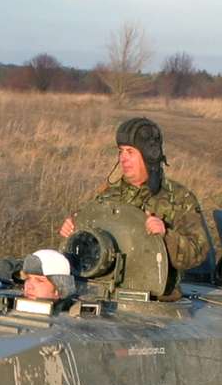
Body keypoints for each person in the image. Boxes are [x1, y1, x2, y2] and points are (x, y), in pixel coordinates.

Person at [59, 117, 209, 291]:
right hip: (104, 292)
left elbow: (197, 253)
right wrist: (72, 231)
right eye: (121, 152)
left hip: (155, 299)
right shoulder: (108, 196)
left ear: (149, 155)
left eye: (130, 152)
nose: (123, 158)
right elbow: (86, 249)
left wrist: (165, 235)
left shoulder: (179, 199)